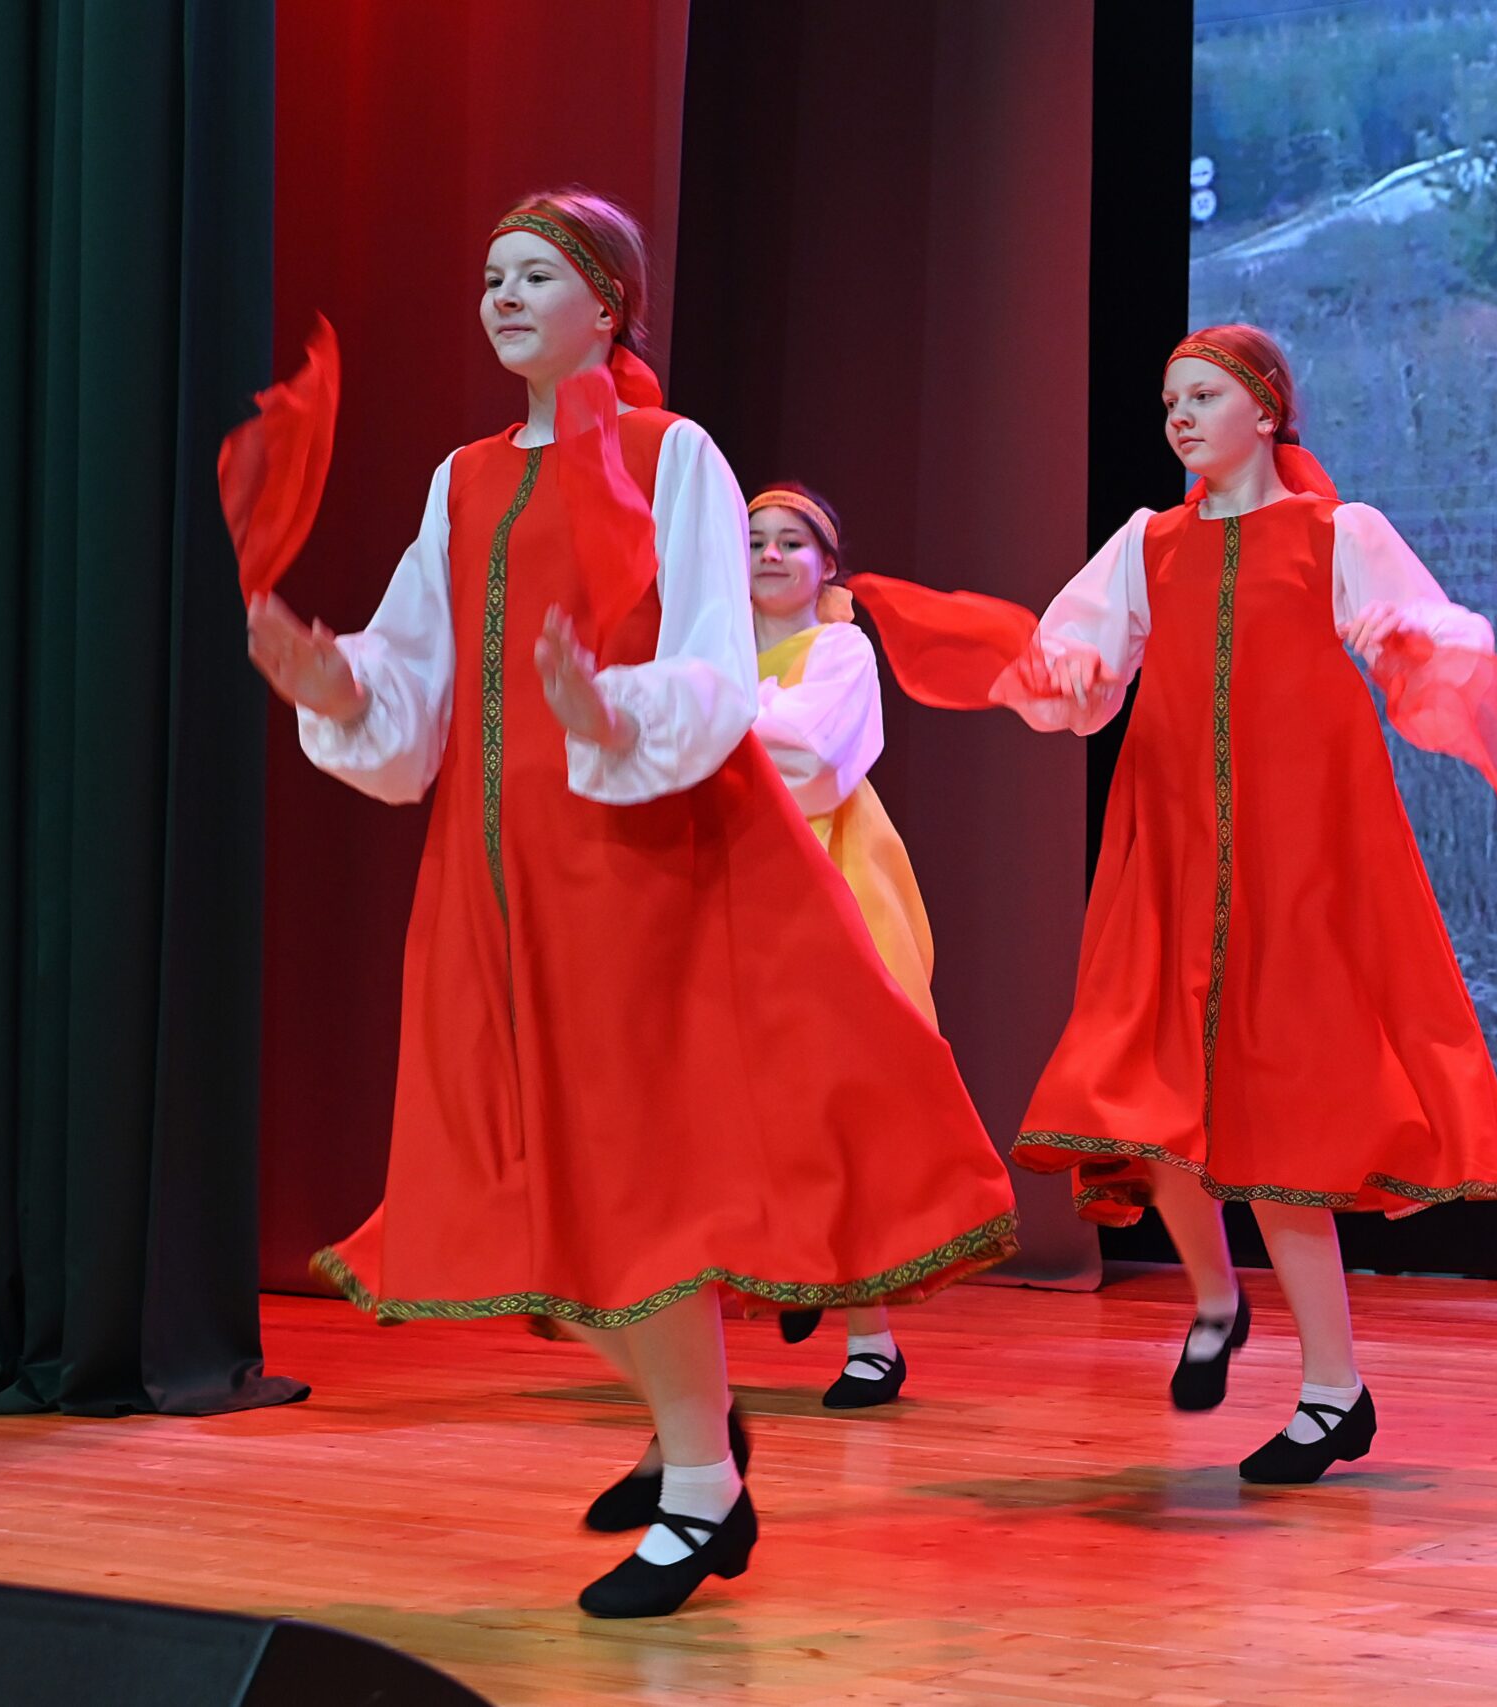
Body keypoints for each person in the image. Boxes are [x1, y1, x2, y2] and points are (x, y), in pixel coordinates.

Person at [243, 190, 1016, 1616]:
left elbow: (713, 662)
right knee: (512, 1186)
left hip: (635, 866)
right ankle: (697, 1426)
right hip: (493, 873)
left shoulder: (674, 457)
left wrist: (606, 708)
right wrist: (335, 680)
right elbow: (413, 671)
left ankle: (704, 1485)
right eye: (491, 276)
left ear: (608, 303)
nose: (502, 295)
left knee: (634, 1180)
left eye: (536, 275)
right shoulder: (464, 477)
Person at [855, 325, 1497, 1482]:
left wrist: (1408, 641)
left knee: (1283, 1121)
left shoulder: (1336, 534)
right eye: (1170, 399)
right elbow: (1079, 663)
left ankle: (1331, 1388)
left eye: (1204, 396)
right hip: (1175, 850)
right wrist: (1069, 672)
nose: (1179, 416)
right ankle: (1243, 1320)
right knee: (1152, 1094)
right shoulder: (1148, 543)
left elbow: (1435, 636)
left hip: (1296, 854)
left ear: (1264, 410)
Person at [743, 483, 934, 1408]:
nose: (770, 556)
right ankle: (791, 1263)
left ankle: (871, 1338)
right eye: (755, 541)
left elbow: (812, 755)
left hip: (830, 877)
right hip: (736, 878)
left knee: (841, 1102)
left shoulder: (839, 648)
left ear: (826, 565)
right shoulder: (713, 649)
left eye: (791, 542)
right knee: (743, 1092)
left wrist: (717, 719)